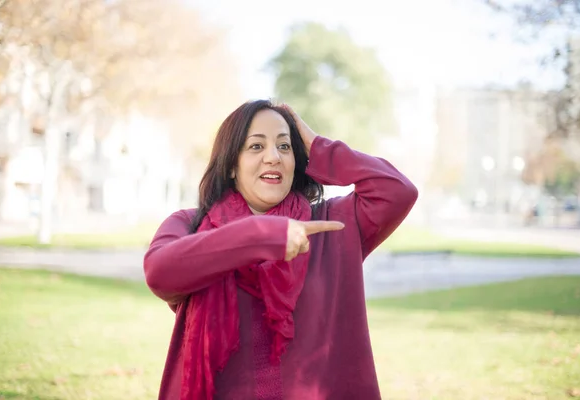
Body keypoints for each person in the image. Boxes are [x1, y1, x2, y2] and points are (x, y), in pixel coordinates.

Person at [143, 99, 418, 400]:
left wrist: (317, 146)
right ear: (231, 165)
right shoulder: (190, 226)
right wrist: (261, 235)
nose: (273, 157)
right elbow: (160, 273)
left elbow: (397, 191)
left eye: (284, 146)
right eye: (256, 146)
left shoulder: (331, 225)